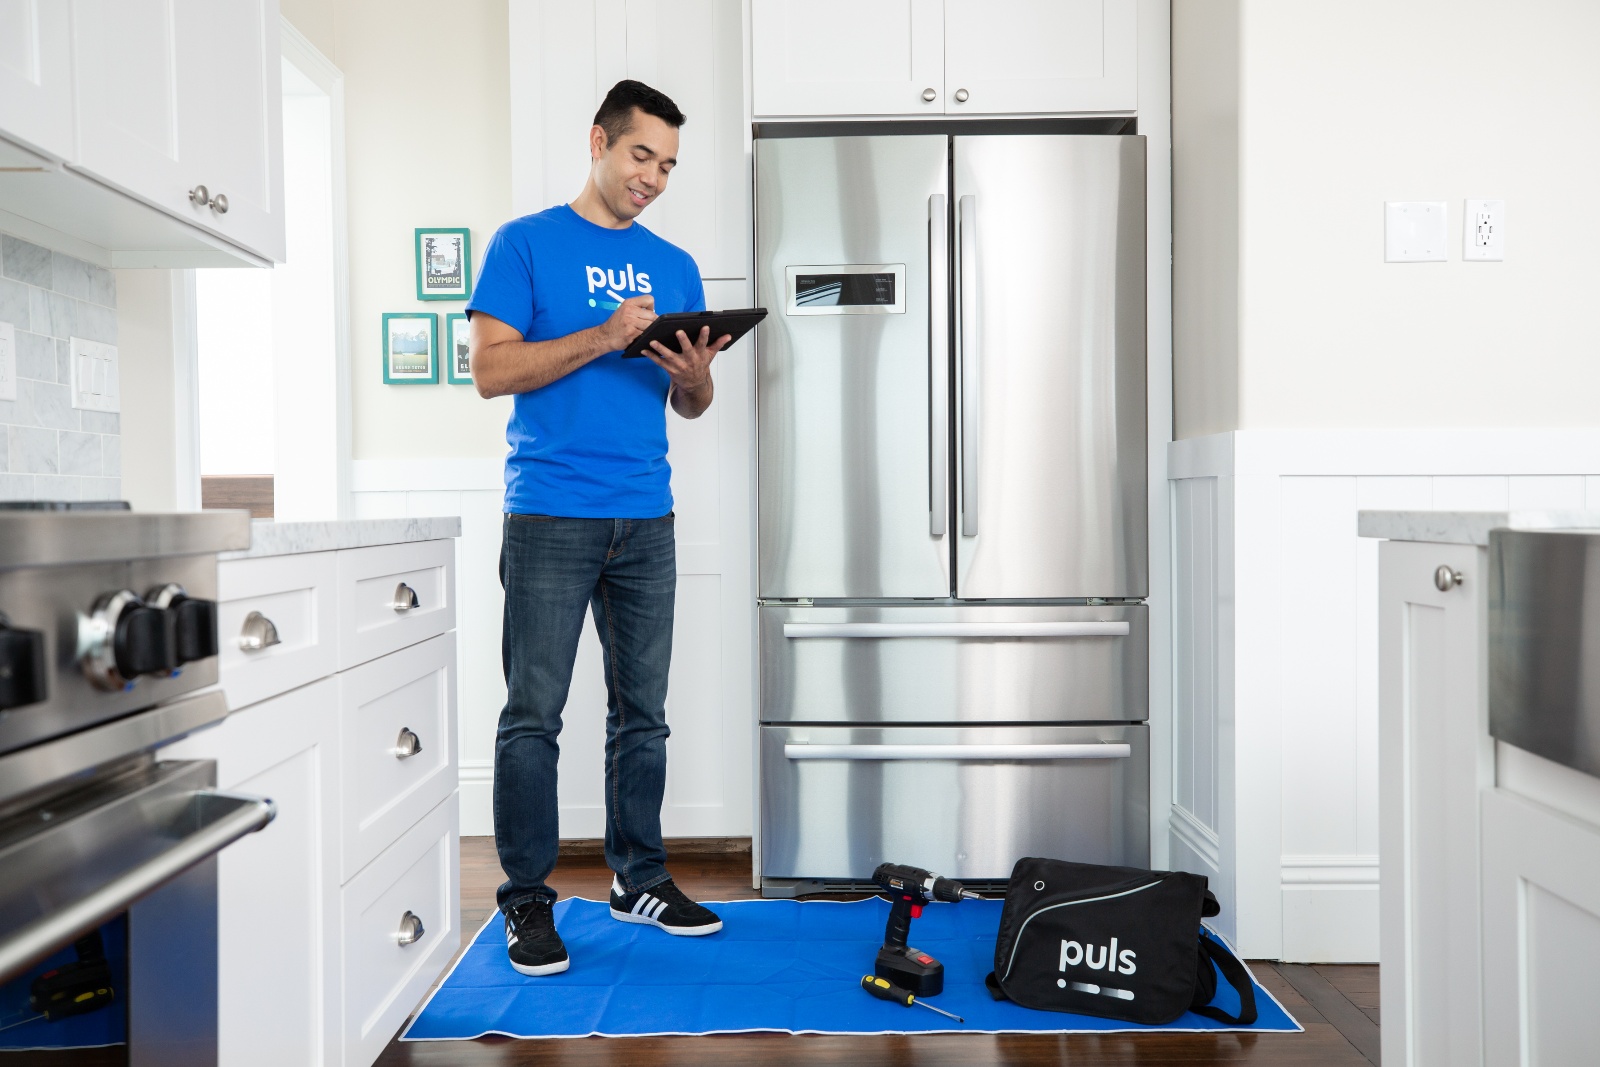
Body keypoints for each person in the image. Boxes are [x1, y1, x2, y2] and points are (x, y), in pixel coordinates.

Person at [467, 79, 733, 976]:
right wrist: (603, 332)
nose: (652, 177)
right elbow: (491, 371)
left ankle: (639, 877)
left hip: (645, 516)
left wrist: (694, 373)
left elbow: (690, 405)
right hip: (548, 513)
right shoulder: (526, 244)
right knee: (533, 716)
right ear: (598, 143)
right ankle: (528, 900)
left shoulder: (677, 264)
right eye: (640, 155)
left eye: (666, 164)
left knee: (643, 716)